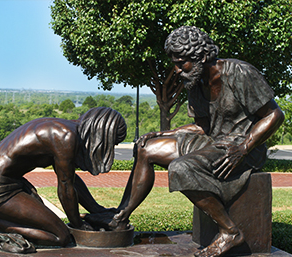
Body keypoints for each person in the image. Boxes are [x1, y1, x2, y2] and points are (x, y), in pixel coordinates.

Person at [85, 26, 284, 257]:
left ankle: (230, 232)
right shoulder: (195, 81)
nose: (177, 70)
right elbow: (202, 127)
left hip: (240, 148)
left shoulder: (239, 72)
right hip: (212, 141)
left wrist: (244, 147)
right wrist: (164, 134)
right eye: (175, 64)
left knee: (181, 168)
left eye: (181, 63)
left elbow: (274, 115)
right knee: (146, 149)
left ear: (201, 57)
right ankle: (120, 217)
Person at [0, 107, 126, 252]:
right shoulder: (66, 136)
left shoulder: (63, 128)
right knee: (60, 236)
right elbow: (66, 188)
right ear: (102, 134)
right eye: (112, 143)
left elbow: (71, 179)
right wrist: (78, 226)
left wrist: (97, 210)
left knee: (47, 225)